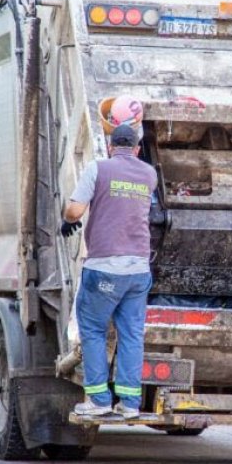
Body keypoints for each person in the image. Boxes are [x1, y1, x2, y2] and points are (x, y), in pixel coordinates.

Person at [61, 123, 157, 419]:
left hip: (104, 267)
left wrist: (67, 218)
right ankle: (129, 404)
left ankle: (99, 399)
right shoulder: (149, 174)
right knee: (131, 335)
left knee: (92, 329)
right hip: (139, 268)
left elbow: (76, 211)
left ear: (110, 145)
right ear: (138, 148)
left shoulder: (98, 168)